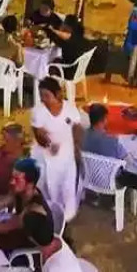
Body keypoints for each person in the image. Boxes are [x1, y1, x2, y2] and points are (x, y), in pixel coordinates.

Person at [0, 158, 57, 258]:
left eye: (17, 179)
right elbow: (0, 202)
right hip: (20, 230)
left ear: (30, 184)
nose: (12, 182)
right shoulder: (24, 190)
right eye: (12, 177)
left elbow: (5, 226)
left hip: (31, 245)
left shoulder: (34, 210)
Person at [31, 77, 83, 222]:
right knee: (50, 186)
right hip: (46, 154)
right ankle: (52, 215)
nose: (43, 99)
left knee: (68, 185)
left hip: (66, 153)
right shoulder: (38, 111)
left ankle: (66, 217)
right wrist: (49, 145)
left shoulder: (70, 110)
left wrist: (77, 147)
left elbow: (77, 128)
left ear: (58, 95)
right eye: (41, 95)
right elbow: (38, 134)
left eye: (47, 95)